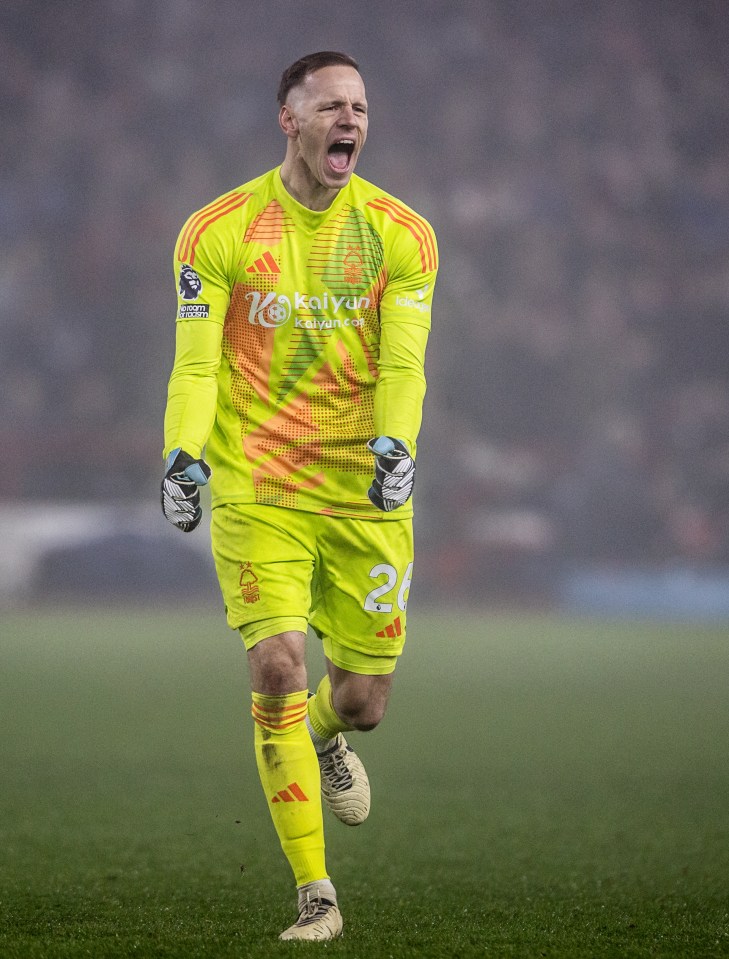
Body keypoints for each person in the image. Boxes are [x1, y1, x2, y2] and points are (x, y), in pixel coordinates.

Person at [160, 51, 438, 941]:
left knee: (362, 701)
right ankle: (315, 892)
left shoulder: (403, 233)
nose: (348, 118)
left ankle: (326, 735)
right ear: (290, 121)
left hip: (363, 491)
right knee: (276, 664)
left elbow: (403, 363)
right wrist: (181, 455)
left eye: (359, 105)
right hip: (258, 488)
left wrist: (398, 446)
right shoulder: (219, 229)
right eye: (329, 106)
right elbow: (196, 362)